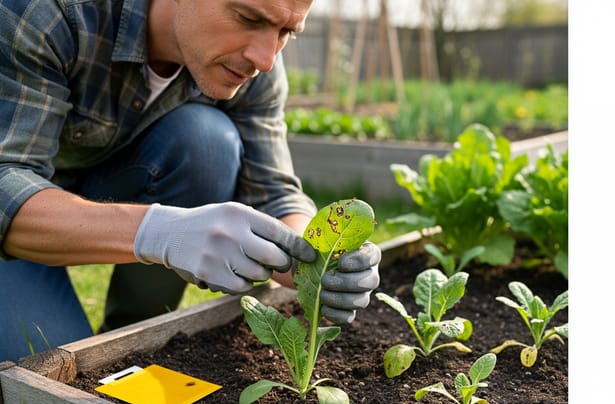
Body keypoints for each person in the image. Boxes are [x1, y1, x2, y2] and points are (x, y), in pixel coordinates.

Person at [0, 0, 381, 362]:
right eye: (249, 19)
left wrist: (318, 260)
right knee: (47, 369)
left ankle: (133, 337)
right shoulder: (51, 13)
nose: (265, 59)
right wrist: (161, 233)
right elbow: (6, 183)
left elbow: (273, 192)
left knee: (206, 142)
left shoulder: (252, 66)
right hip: (14, 220)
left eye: (285, 32)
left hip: (99, 184)